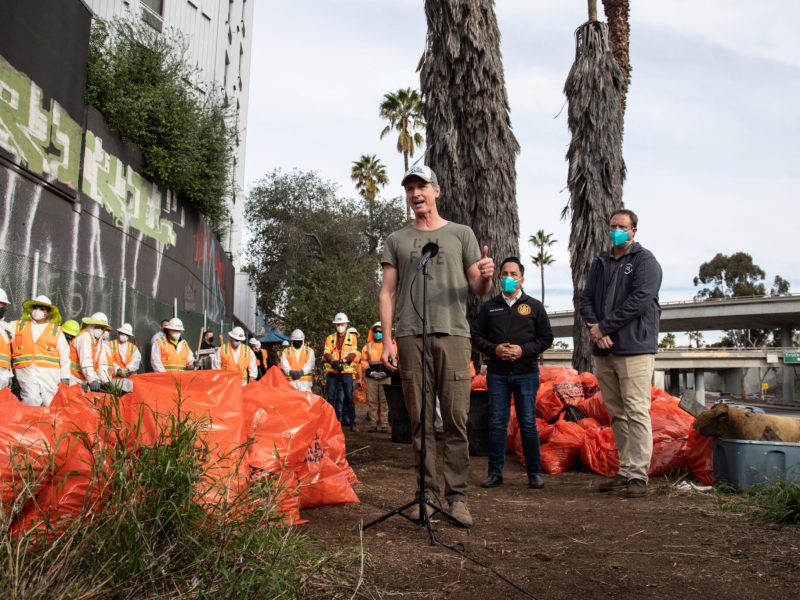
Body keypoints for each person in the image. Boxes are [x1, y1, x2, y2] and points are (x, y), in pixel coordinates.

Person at [379, 165, 494, 527]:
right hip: (412, 336)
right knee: (421, 422)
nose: (416, 194)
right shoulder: (397, 239)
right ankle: (425, 495)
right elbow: (388, 290)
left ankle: (457, 498)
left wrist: (487, 277)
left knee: (457, 419)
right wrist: (387, 340)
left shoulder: (461, 234)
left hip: (455, 336)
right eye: (410, 188)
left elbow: (476, 286)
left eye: (422, 186)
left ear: (437, 191)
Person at [579, 208, 662, 498]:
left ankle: (639, 475)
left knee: (637, 410)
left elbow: (639, 301)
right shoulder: (600, 262)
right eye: (613, 225)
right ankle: (625, 469)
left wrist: (605, 327)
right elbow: (586, 299)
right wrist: (594, 328)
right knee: (616, 412)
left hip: (634, 349)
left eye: (622, 226)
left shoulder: (644, 261)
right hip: (604, 350)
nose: (616, 230)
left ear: (634, 231)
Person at [471, 256, 554, 490]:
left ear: (522, 279)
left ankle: (534, 473)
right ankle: (494, 473)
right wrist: (494, 350)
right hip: (497, 374)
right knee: (497, 423)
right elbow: (476, 337)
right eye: (504, 274)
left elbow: (546, 338)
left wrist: (522, 351)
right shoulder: (489, 308)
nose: (508, 278)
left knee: (527, 423)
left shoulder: (534, 306)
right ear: (500, 278)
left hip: (526, 374)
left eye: (513, 274)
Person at [9, 295, 70, 406]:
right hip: (27, 371)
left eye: (42, 309)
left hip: (50, 374)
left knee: (50, 403)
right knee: (31, 399)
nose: (38, 311)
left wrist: (65, 376)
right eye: (36, 307)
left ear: (48, 312)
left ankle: (44, 423)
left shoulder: (55, 330)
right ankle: (30, 422)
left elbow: (64, 355)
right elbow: (3, 328)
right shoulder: (18, 325)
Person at [323, 312, 360, 430]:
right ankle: (330, 423)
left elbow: (354, 353)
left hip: (346, 372)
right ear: (335, 324)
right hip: (333, 372)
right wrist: (333, 361)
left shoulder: (352, 337)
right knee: (331, 398)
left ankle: (352, 422)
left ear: (346, 324)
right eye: (338, 324)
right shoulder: (330, 338)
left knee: (349, 398)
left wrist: (344, 360)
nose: (340, 326)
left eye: (342, 323)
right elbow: (326, 352)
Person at [70, 312, 113, 391]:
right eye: (98, 326)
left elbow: (101, 364)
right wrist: (92, 380)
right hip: (72, 378)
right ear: (92, 325)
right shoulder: (85, 336)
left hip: (83, 380)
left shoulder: (98, 341)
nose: (100, 329)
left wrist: (107, 382)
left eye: (102, 328)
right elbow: (86, 360)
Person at [360, 321, 391, 432]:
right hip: (372, 377)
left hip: (385, 377)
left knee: (384, 402)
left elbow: (393, 361)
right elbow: (363, 361)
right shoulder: (367, 347)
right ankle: (373, 424)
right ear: (372, 332)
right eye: (376, 331)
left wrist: (386, 372)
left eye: (380, 332)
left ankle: (384, 425)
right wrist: (370, 372)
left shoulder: (389, 345)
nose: (378, 333)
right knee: (372, 401)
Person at [109, 322, 141, 392]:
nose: (124, 336)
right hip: (114, 379)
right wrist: (118, 370)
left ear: (129, 336)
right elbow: (107, 360)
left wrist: (127, 369)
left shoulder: (133, 348)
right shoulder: (110, 344)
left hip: (128, 380)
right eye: (122, 333)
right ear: (119, 333)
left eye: (126, 334)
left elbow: (136, 361)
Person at [0, 288, 11, 390]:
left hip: (3, 375)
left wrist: (9, 374)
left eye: (3, 304)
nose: (2, 307)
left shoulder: (3, 330)